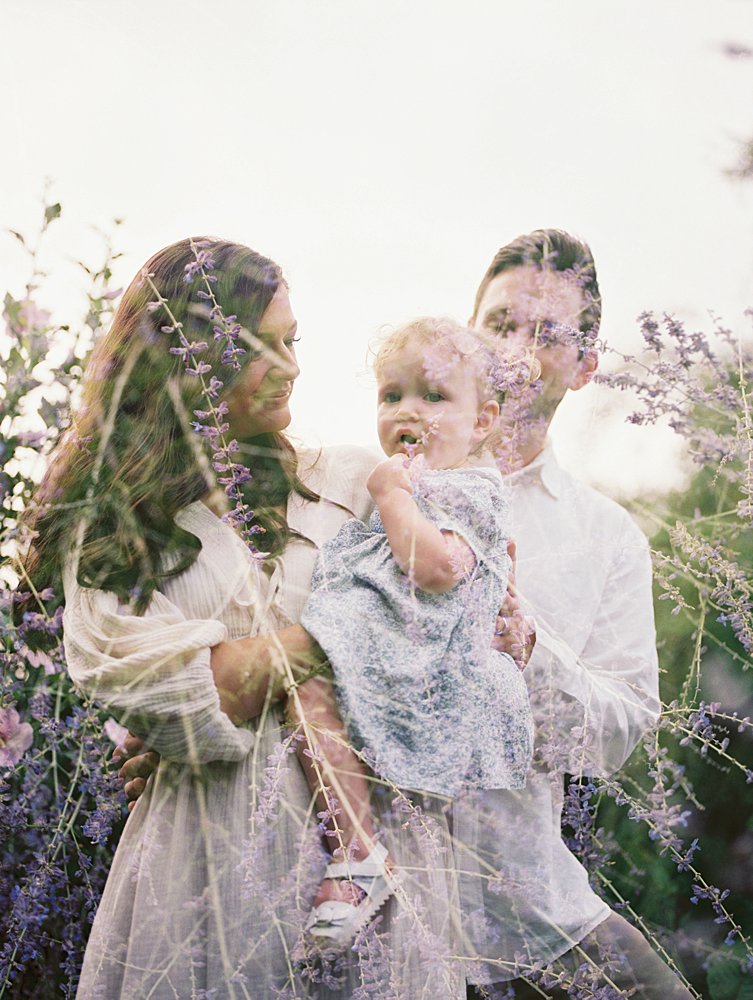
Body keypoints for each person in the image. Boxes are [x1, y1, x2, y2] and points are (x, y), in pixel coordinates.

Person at [23, 238, 480, 999]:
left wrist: (258, 671)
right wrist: (350, 630)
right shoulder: (113, 534)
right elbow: (178, 691)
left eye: (291, 340)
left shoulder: (349, 482)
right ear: (188, 362)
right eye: (259, 348)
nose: (291, 366)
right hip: (205, 876)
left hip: (374, 862)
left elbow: (450, 621)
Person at [456, 229, 694, 998]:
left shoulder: (606, 537)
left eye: (546, 334)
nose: (515, 353)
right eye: (500, 324)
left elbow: (621, 730)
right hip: (363, 892)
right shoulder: (373, 484)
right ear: (465, 333)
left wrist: (531, 655)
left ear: (585, 365)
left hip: (528, 908)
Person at [296, 318, 533, 945]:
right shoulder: (415, 485)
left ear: (482, 421)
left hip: (428, 670)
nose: (408, 411)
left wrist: (391, 497)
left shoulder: (469, 489)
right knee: (307, 694)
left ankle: (358, 853)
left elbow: (437, 569)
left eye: (433, 395)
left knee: (310, 690)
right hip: (398, 656)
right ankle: (356, 847)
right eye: (391, 394)